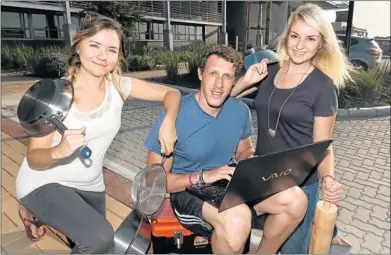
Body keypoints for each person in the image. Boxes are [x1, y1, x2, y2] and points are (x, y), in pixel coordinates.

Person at [16, 13, 181, 254]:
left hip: (90, 184)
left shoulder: (119, 87)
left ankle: (36, 214)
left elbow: (172, 94)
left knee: (98, 245)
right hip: (43, 180)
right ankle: (37, 205)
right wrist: (59, 150)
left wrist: (169, 120)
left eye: (112, 50)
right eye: (94, 45)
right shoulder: (54, 94)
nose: (102, 56)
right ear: (79, 47)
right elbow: (35, 157)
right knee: (100, 239)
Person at [145, 45, 308, 254]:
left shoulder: (239, 111)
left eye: (227, 76)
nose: (219, 84)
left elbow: (243, 149)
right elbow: (154, 182)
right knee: (237, 221)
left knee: (295, 200)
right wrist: (203, 176)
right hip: (186, 189)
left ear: (234, 80)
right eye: (213, 73)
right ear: (200, 74)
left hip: (227, 181)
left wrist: (249, 159)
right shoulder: (175, 117)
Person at [231, 3, 353, 253]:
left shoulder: (322, 87)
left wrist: (328, 180)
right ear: (287, 37)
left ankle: (330, 235)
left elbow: (323, 146)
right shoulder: (269, 71)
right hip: (261, 175)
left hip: (298, 184)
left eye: (310, 38)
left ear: (320, 43)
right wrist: (245, 80)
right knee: (236, 230)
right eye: (295, 36)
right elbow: (223, 101)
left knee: (289, 250)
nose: (299, 45)